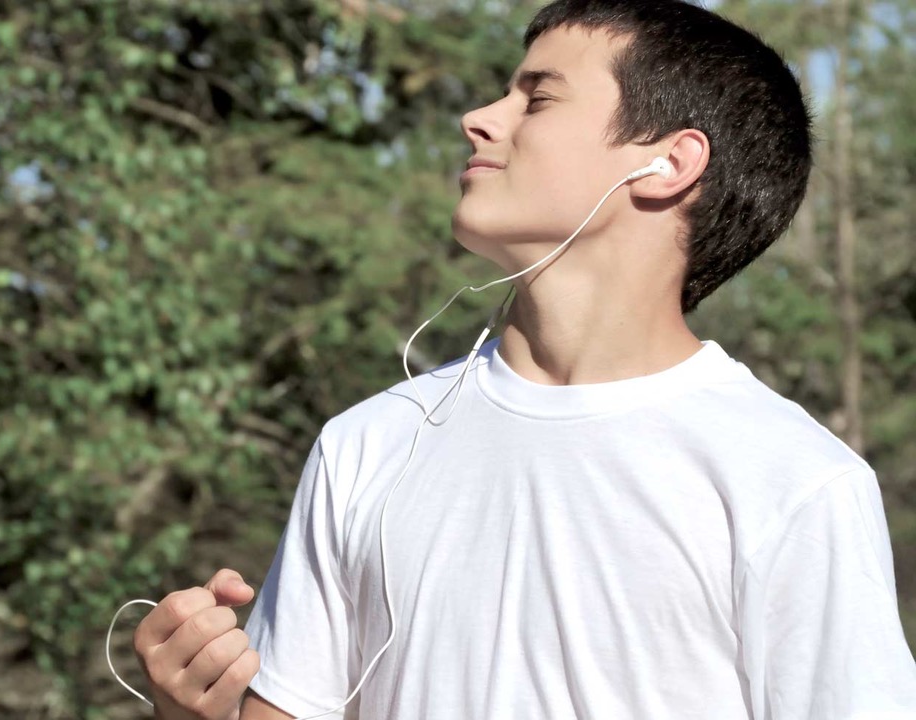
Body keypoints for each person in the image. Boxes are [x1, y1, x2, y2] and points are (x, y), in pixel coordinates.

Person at [131, 0, 916, 718]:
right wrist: (192, 709)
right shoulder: (366, 443)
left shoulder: (795, 481)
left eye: (536, 98)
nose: (479, 119)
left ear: (669, 164)